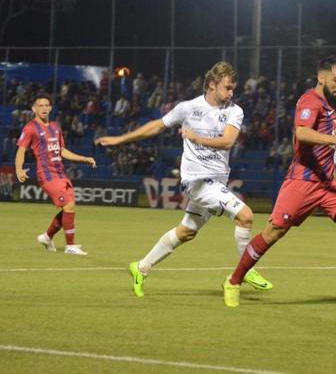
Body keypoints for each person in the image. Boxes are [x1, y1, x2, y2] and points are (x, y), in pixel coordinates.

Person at [95, 61, 272, 297]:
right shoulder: (188, 108)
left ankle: (141, 266)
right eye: (227, 88)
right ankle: (245, 269)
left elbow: (228, 141)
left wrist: (197, 138)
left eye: (233, 88)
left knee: (187, 231)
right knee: (245, 216)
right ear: (212, 84)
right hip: (198, 182)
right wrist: (119, 140)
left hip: (217, 182)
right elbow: (156, 126)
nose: (231, 93)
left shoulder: (234, 110)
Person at [222, 56, 336, 308]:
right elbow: (302, 132)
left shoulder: (330, 107)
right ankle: (233, 281)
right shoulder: (311, 100)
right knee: (273, 233)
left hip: (325, 183)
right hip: (302, 181)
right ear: (321, 77)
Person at [15, 94, 96, 255]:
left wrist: (84, 158)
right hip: (46, 174)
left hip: (60, 173)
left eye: (46, 105)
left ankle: (47, 236)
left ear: (50, 108)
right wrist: (18, 169)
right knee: (69, 205)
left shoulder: (55, 126)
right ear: (34, 109)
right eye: (40, 105)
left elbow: (62, 151)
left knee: (69, 207)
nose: (44, 108)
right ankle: (70, 246)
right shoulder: (30, 128)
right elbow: (21, 150)